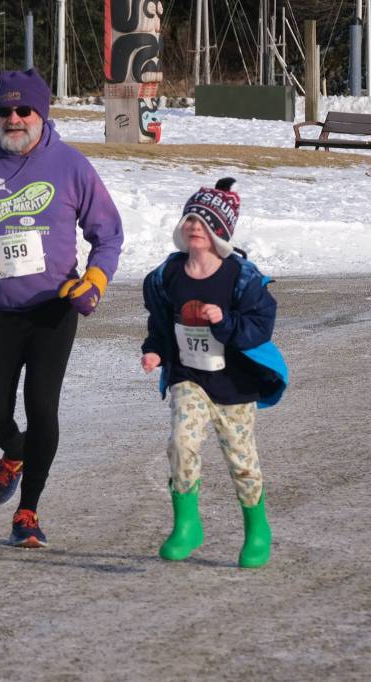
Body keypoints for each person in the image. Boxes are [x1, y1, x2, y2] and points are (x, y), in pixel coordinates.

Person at [0, 68, 124, 547]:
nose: (14, 118)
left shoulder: (72, 166)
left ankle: (28, 512)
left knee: (43, 408)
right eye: (4, 110)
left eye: (24, 110)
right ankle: (15, 453)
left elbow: (108, 235)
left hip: (52, 310)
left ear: (42, 113)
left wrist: (96, 281)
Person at [142, 178, 287, 568]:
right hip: (190, 379)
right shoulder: (169, 275)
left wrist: (224, 323)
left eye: (203, 222)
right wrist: (154, 352)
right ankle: (187, 523)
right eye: (189, 219)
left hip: (234, 383)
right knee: (181, 443)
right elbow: (160, 323)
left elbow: (261, 326)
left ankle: (257, 528)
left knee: (242, 460)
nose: (194, 227)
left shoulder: (240, 278)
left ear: (220, 232)